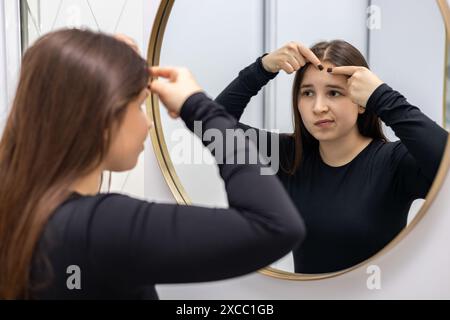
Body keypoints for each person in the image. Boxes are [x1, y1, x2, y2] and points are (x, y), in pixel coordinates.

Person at [0, 29, 306, 300]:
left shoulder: (23, 210)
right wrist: (197, 105)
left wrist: (94, 66)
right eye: (139, 104)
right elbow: (275, 225)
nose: (147, 122)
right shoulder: (98, 228)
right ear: (102, 115)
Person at [215, 40, 449, 274]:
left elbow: (445, 163)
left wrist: (382, 97)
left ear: (361, 103)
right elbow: (211, 129)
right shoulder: (288, 157)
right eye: (307, 93)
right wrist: (262, 68)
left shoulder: (394, 163)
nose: (318, 107)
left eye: (334, 93)